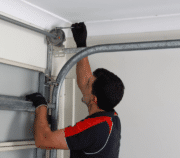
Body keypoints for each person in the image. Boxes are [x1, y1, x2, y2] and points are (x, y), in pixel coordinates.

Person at [26, 22, 125, 158]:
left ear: (94, 99)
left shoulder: (93, 128)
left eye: (90, 82)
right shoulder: (112, 119)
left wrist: (41, 106)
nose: (86, 80)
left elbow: (43, 139)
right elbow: (85, 80)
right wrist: (81, 46)